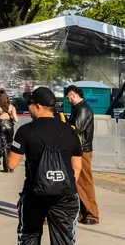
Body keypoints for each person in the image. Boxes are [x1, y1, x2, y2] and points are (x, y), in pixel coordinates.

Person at [8, 87, 82, 245]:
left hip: (34, 193)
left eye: (30, 104)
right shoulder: (70, 130)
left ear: (38, 106)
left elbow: (11, 163)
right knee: (64, 240)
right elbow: (77, 166)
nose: (28, 108)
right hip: (65, 195)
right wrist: (63, 184)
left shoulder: (25, 131)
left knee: (29, 237)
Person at [64, 84, 98, 226]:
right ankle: (83, 213)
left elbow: (75, 129)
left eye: (68, 97)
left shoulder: (83, 109)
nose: (68, 100)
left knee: (84, 183)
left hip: (82, 150)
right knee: (77, 183)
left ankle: (92, 214)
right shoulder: (78, 108)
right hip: (79, 149)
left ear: (73, 95)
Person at [0, 90, 18, 173]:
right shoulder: (12, 107)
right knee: (10, 145)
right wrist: (10, 114)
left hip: (1, 125)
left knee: (4, 146)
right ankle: (12, 167)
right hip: (10, 126)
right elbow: (16, 119)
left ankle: (6, 168)